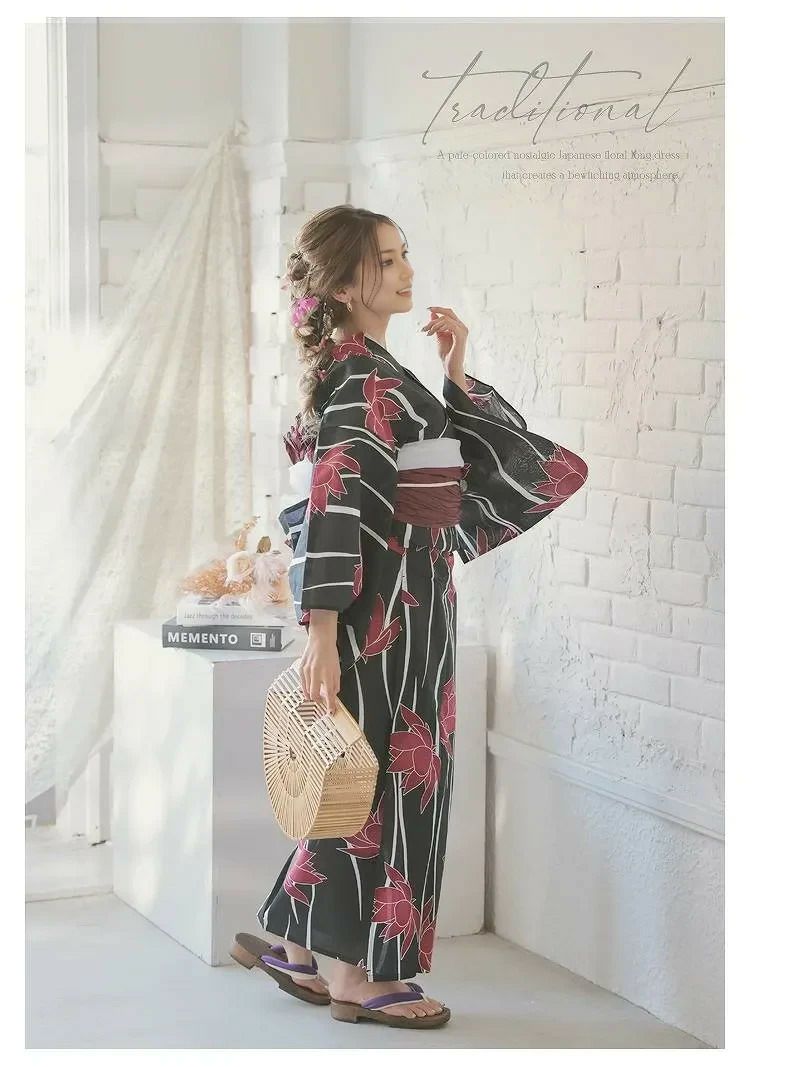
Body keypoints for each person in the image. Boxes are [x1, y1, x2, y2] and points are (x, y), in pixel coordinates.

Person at [244, 205, 589, 1028]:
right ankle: (358, 975)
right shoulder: (364, 380)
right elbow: (333, 505)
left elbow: (436, 471)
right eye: (388, 260)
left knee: (358, 772)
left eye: (404, 255)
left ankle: (300, 945)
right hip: (387, 606)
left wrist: (456, 370)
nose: (406, 272)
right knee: (386, 781)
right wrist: (322, 632)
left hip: (407, 593)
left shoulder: (372, 369)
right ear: (341, 285)